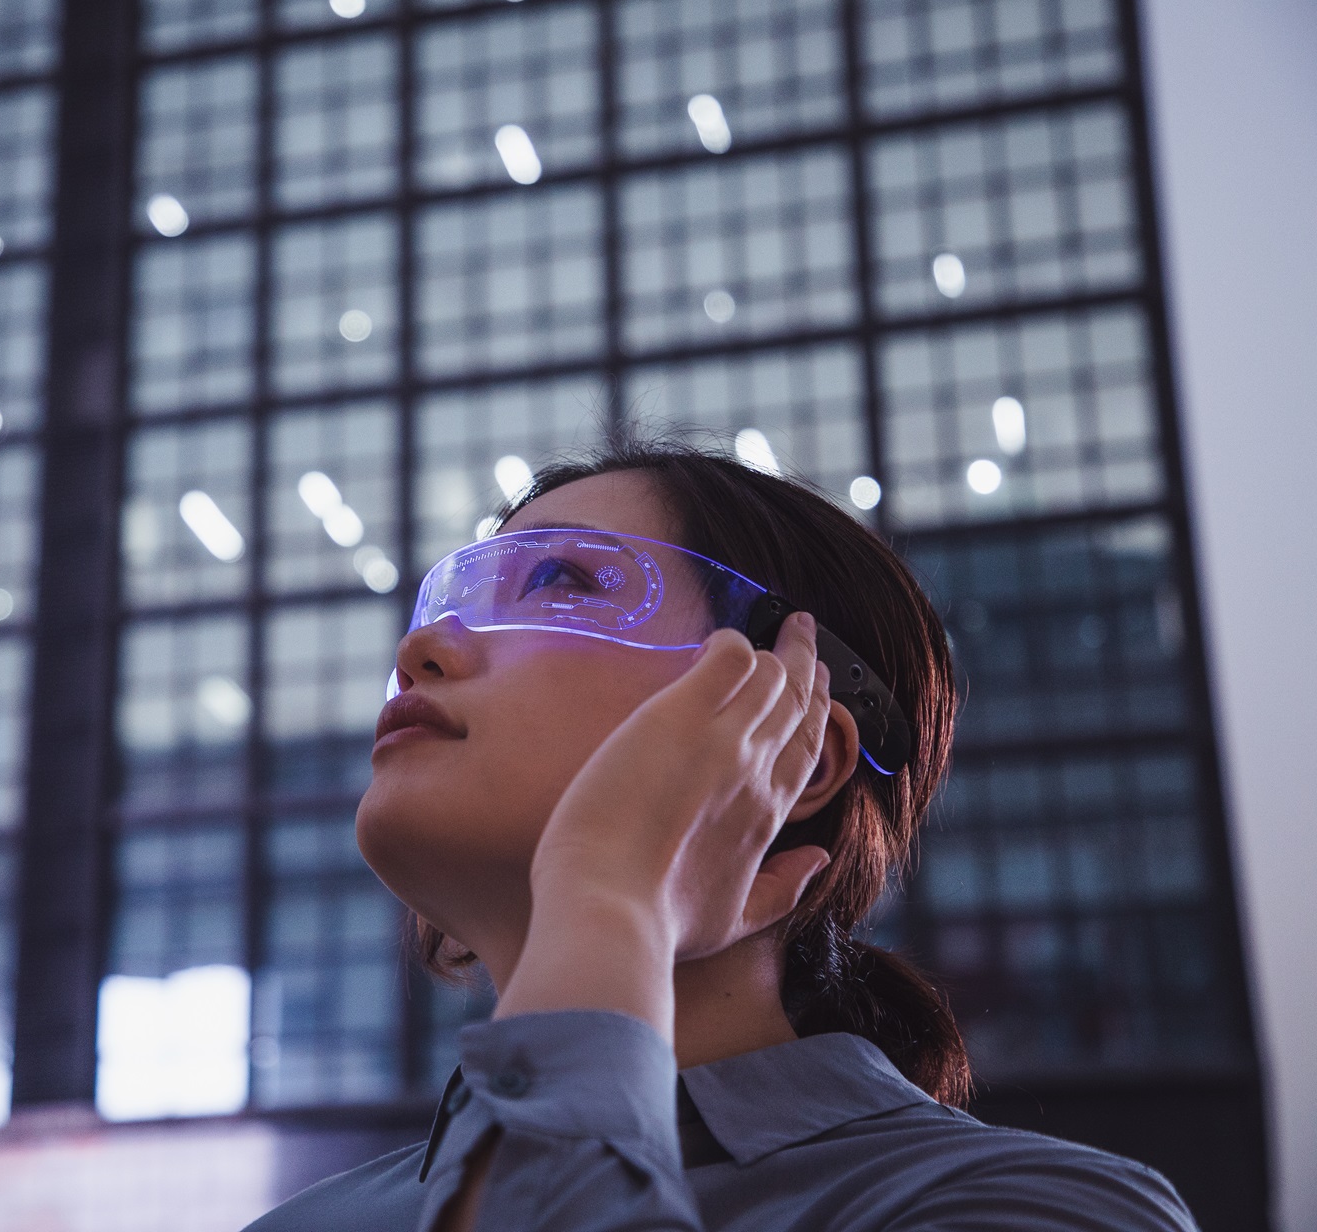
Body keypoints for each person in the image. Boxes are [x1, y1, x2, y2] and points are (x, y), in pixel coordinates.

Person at [245, 440, 1196, 1232]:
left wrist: (607, 893)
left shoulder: (1039, 1207)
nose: (422, 648)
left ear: (795, 746)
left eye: (560, 582)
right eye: (450, 599)